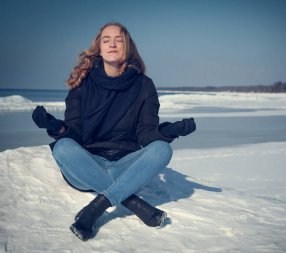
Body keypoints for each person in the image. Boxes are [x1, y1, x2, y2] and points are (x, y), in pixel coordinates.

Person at [32, 22, 196, 241]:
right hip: (87, 166)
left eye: (119, 39)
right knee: (63, 147)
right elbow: (75, 134)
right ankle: (134, 203)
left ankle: (95, 209)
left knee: (162, 150)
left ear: (127, 47)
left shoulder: (144, 85)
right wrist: (56, 127)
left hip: (124, 168)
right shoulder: (82, 82)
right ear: (98, 48)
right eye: (106, 40)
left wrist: (170, 131)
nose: (112, 44)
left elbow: (147, 135)